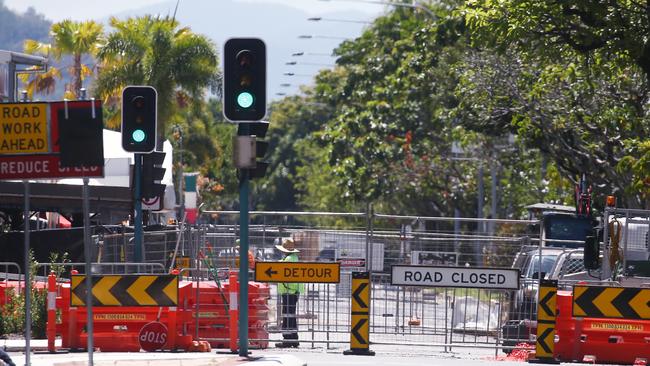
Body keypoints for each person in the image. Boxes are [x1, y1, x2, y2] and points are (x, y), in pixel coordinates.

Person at [275, 237, 303, 348]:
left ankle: (287, 339)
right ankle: (293, 338)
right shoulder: (294, 257)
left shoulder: (289, 259)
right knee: (291, 314)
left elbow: (280, 267)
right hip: (293, 290)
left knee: (287, 315)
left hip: (289, 290)